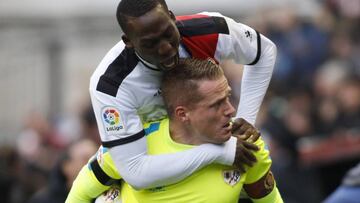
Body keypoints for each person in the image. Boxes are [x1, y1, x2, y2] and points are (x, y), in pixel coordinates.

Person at [88, 0, 276, 190]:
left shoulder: (211, 30)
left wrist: (245, 119)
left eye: (168, 34)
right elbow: (135, 172)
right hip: (149, 169)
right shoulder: (110, 85)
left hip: (204, 146)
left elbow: (264, 51)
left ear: (172, 17)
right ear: (128, 42)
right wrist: (220, 153)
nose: (166, 49)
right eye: (150, 44)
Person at [67, 59, 282, 203]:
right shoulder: (133, 147)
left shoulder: (245, 147)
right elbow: (79, 195)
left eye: (227, 96)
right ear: (182, 114)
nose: (231, 110)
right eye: (216, 104)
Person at [27, 139, 97, 203]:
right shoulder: (42, 200)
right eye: (86, 158)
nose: (94, 164)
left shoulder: (103, 198)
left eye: (97, 159)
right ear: (67, 166)